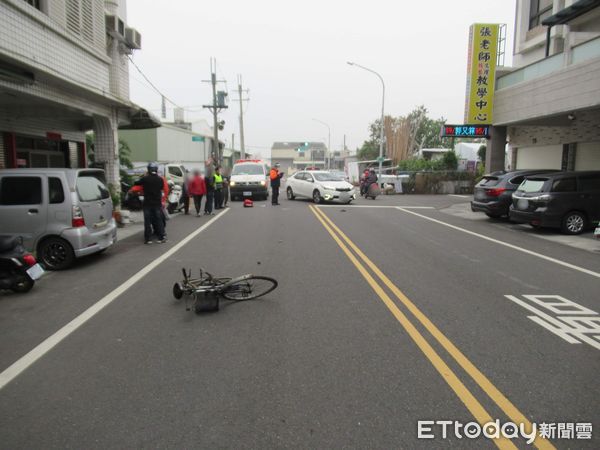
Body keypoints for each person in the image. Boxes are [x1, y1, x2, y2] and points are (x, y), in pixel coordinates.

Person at [135, 162, 166, 244]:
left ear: (148, 169)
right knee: (158, 220)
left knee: (147, 221)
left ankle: (148, 239)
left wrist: (143, 176)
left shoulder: (145, 179)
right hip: (157, 203)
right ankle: (161, 237)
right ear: (156, 169)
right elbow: (162, 187)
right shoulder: (160, 179)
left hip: (147, 204)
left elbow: (136, 183)